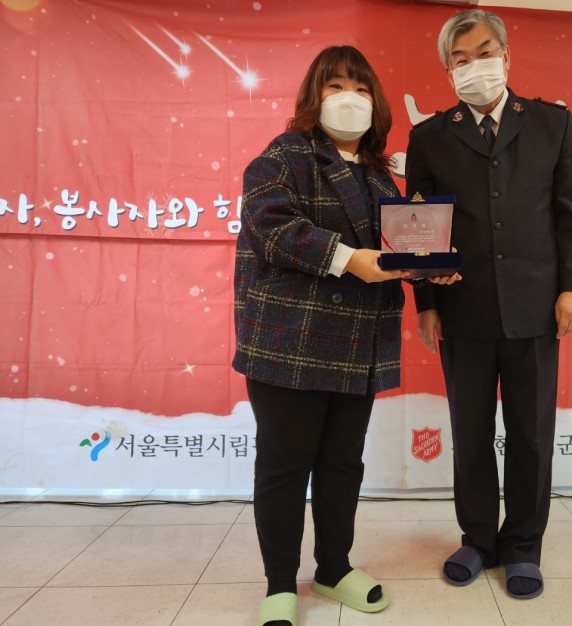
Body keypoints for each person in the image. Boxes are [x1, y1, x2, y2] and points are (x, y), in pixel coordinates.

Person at [405, 9, 572, 600]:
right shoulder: (429, 137)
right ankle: (479, 539)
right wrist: (425, 302)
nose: (474, 66)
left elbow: (571, 214)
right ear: (448, 71)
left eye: (484, 53)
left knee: (531, 433)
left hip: (536, 306)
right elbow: (420, 231)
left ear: (506, 56)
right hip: (461, 309)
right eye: (460, 60)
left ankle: (523, 547)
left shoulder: (552, 123)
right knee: (469, 431)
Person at [233, 45, 409, 626]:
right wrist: (347, 258)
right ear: (315, 96)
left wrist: (428, 265)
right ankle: (280, 584)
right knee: (284, 467)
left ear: (375, 101)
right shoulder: (284, 155)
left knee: (342, 464)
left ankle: (334, 567)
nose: (349, 98)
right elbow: (271, 228)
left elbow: (396, 248)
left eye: (360, 88)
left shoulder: (380, 172)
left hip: (359, 342)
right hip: (291, 341)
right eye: (335, 86)